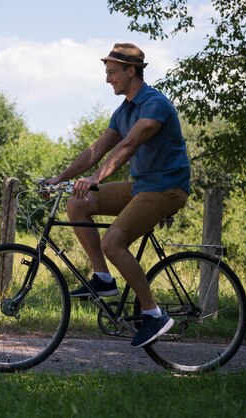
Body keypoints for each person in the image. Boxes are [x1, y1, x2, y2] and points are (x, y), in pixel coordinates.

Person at [47, 43, 190, 348]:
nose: (108, 79)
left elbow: (128, 147)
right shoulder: (123, 111)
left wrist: (95, 179)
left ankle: (153, 314)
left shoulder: (154, 104)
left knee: (113, 241)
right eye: (107, 72)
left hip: (167, 188)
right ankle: (103, 279)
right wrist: (59, 178)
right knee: (78, 203)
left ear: (131, 70)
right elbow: (95, 151)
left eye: (112, 72)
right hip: (140, 186)